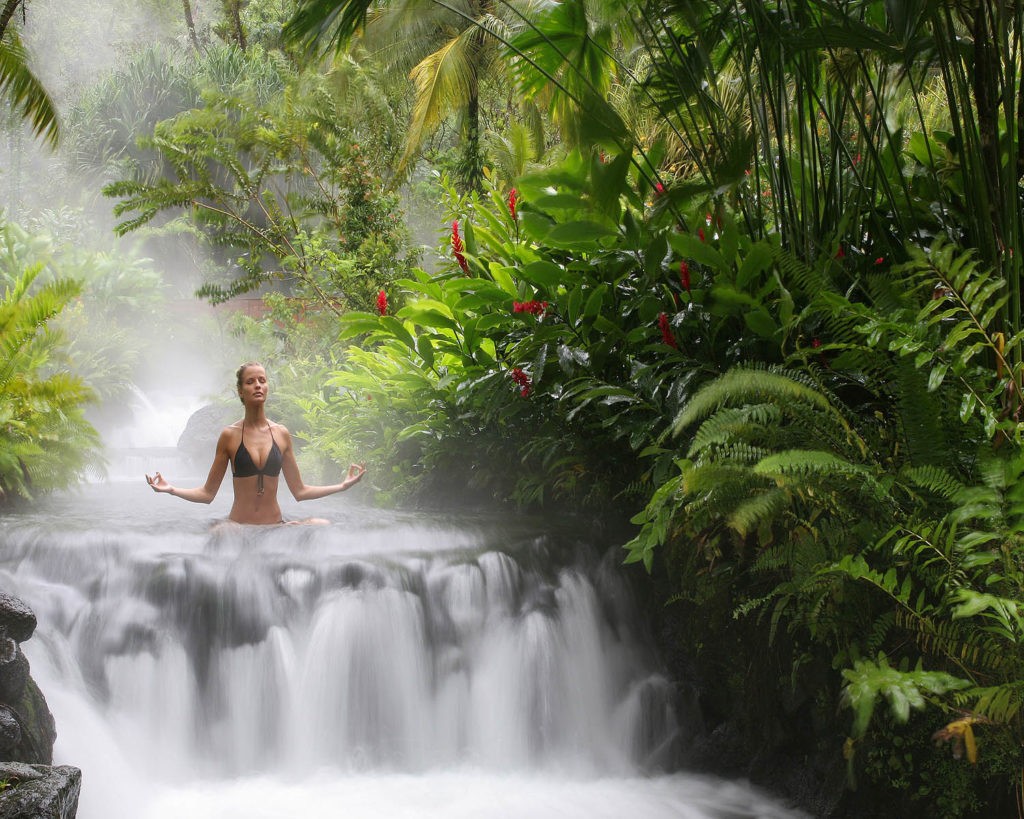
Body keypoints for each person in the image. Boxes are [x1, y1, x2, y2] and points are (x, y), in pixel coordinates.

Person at [146, 362, 365, 525]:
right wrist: (171, 489)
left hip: (275, 526)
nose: (258, 385)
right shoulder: (229, 436)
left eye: (262, 380)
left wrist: (342, 486)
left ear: (267, 387)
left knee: (322, 525)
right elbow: (207, 494)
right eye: (250, 382)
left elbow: (300, 491)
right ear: (241, 391)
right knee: (223, 532)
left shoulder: (281, 434)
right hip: (239, 527)